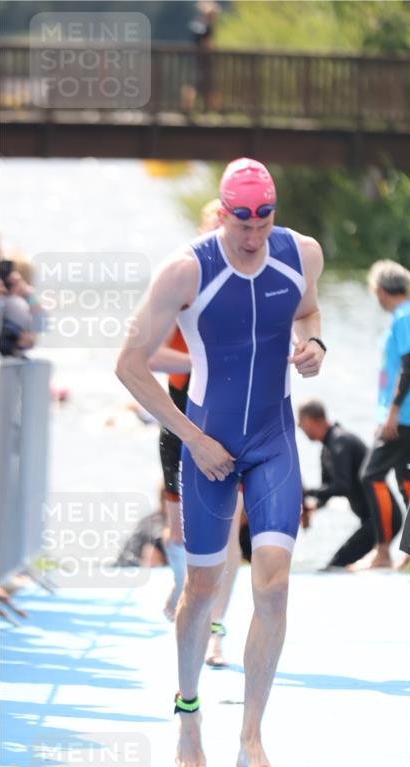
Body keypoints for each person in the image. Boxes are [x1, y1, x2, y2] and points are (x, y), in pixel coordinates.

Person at [116, 157, 325, 767]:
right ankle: (188, 714)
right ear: (223, 211)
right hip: (206, 445)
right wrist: (191, 440)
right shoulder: (185, 270)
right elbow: (128, 362)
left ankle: (252, 736)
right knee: (201, 590)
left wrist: (314, 344)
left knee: (275, 586)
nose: (254, 232)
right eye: (242, 220)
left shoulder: (302, 255)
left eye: (264, 218)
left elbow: (308, 312)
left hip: (273, 440)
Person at [153, 198, 244, 669]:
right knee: (181, 530)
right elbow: (146, 356)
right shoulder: (181, 283)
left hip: (235, 425)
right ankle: (184, 588)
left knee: (229, 531)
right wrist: (198, 361)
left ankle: (215, 630)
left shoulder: (254, 283)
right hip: (182, 422)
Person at [354, 259, 410, 571]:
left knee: (371, 475)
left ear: (380, 289)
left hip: (405, 414)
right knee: (406, 478)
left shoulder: (405, 318)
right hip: (409, 414)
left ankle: (383, 550)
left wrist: (393, 413)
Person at [298, 399, 400, 569]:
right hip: (370, 521)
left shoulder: (340, 442)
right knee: (339, 564)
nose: (301, 429)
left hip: (384, 518)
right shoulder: (326, 449)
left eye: (301, 424)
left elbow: (341, 486)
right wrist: (312, 506)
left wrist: (307, 492)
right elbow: (328, 490)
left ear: (310, 420)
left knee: (336, 565)